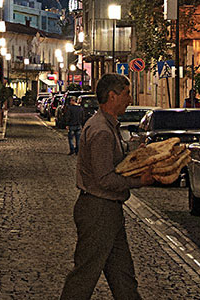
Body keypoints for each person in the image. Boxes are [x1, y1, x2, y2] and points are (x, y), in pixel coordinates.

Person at [60, 74, 154, 299]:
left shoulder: (106, 125)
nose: (130, 99)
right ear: (112, 96)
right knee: (84, 277)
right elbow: (105, 178)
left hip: (107, 210)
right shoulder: (102, 130)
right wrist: (139, 181)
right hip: (98, 210)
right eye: (127, 94)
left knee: (123, 277)